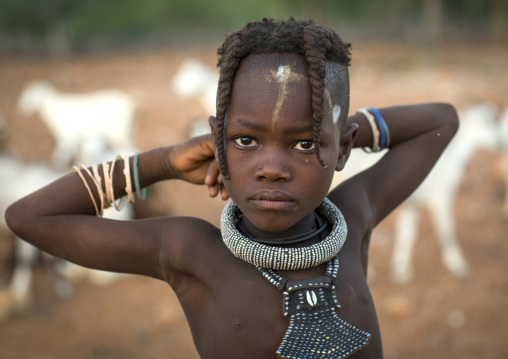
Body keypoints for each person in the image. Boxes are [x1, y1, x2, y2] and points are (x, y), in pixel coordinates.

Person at [5, 18, 459, 359]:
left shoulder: (353, 215)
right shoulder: (192, 252)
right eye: (245, 140)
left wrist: (341, 127)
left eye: (303, 144)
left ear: (342, 151)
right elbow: (28, 218)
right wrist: (161, 161)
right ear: (218, 144)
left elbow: (441, 121)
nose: (272, 168)